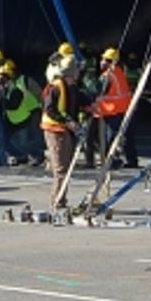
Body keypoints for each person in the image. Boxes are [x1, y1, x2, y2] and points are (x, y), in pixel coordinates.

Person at [40, 55, 92, 208]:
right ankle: (57, 201)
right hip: (55, 130)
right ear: (71, 72)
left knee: (66, 167)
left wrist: (91, 105)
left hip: (64, 130)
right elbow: (50, 110)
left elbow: (81, 101)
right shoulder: (56, 87)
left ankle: (60, 199)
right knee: (61, 169)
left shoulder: (72, 87)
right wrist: (69, 122)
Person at [90, 47, 137, 169]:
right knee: (127, 137)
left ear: (109, 61)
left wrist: (87, 80)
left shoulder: (107, 75)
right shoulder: (120, 71)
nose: (101, 61)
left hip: (112, 110)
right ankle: (132, 160)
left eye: (104, 59)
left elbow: (99, 91)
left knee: (109, 138)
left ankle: (111, 161)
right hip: (125, 109)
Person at [0, 60, 44, 166]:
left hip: (32, 111)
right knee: (20, 140)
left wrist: (43, 106)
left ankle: (38, 156)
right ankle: (23, 156)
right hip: (19, 115)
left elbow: (38, 93)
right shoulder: (9, 84)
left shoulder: (25, 80)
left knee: (32, 138)